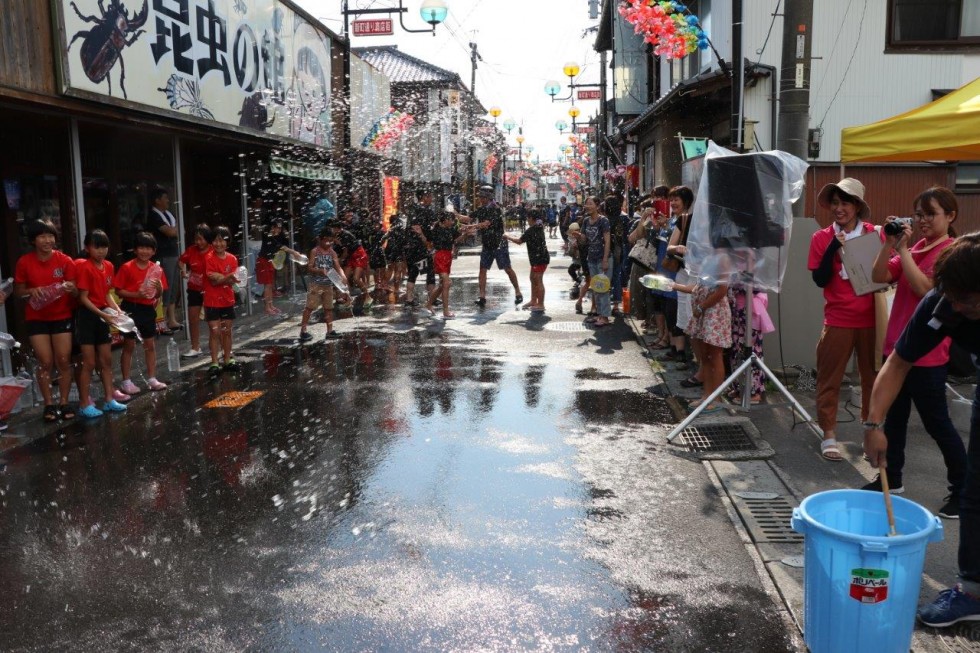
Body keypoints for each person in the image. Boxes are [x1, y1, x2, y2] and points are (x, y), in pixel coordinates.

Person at [863, 233, 980, 627]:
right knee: (975, 491)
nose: (959, 307)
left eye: (969, 300)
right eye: (955, 298)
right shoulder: (944, 304)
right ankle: (972, 591)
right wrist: (874, 424)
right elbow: (897, 363)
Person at [862, 186, 964, 519]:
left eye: (930, 214)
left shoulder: (951, 251)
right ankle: (892, 479)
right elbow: (877, 277)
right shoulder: (916, 246)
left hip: (929, 356)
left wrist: (904, 252)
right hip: (898, 350)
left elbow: (925, 290)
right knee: (895, 422)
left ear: (950, 216)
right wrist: (889, 244)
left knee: (938, 425)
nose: (921, 221)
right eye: (918, 214)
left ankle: (962, 491)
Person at [808, 178, 880, 462]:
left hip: (873, 319)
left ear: (858, 206)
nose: (839, 209)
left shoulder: (875, 234)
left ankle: (870, 435)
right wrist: (832, 249)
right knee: (829, 378)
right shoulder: (821, 237)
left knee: (872, 381)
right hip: (837, 317)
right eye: (835, 203)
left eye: (845, 203)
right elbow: (819, 279)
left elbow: (888, 272)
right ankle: (828, 434)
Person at [14, 219, 78, 422]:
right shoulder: (24, 262)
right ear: (33, 240)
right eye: (42, 236)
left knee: (63, 360)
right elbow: (18, 292)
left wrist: (70, 288)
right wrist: (32, 290)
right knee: (45, 361)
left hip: (61, 315)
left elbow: (77, 290)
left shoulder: (65, 260)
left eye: (50, 236)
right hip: (36, 317)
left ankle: (65, 401)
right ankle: (49, 404)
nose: (47, 240)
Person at [74, 229, 128, 418]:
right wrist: (102, 314)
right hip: (88, 316)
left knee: (106, 360)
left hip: (103, 315)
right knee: (88, 362)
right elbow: (83, 298)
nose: (101, 251)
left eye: (104, 246)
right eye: (96, 247)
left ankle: (108, 399)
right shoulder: (84, 266)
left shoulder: (109, 266)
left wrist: (117, 310)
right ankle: (83, 403)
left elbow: (106, 294)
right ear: (87, 248)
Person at [114, 231, 168, 394]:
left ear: (154, 251)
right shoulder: (127, 267)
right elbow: (118, 291)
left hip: (147, 309)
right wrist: (136, 294)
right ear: (135, 250)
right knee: (129, 345)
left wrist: (158, 291)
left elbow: (158, 295)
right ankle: (126, 381)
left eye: (148, 248)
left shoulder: (157, 269)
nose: (145, 251)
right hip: (130, 308)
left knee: (149, 344)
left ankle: (152, 378)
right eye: (141, 248)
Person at [473, 185, 523, 307]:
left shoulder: (495, 209)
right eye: (480, 196)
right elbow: (468, 218)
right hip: (487, 244)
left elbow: (485, 224)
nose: (480, 199)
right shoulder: (482, 209)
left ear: (488, 197)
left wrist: (469, 227)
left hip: (499, 244)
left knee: (507, 268)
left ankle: (517, 291)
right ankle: (482, 296)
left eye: (482, 197)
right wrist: (455, 215)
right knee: (482, 270)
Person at [663, 186, 696, 369]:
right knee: (682, 312)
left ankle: (694, 359)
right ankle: (682, 354)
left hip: (700, 274)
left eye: (677, 199)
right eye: (672, 199)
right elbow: (670, 247)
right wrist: (678, 248)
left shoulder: (700, 221)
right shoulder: (682, 220)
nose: (673, 203)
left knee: (696, 315)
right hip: (683, 272)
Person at [299, 228, 349, 341]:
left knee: (328, 308)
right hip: (315, 285)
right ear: (320, 240)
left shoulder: (332, 252)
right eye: (327, 240)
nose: (329, 243)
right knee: (310, 307)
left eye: (331, 241)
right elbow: (310, 267)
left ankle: (330, 331)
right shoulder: (315, 251)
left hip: (328, 285)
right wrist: (320, 271)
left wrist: (343, 276)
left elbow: (338, 266)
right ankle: (303, 330)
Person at [202, 226, 239, 372]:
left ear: (227, 242)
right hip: (211, 301)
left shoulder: (232, 259)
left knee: (227, 331)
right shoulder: (209, 258)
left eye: (222, 240)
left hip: (227, 300)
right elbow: (213, 281)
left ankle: (228, 358)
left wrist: (224, 278)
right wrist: (227, 277)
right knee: (214, 331)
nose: (219, 244)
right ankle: (214, 361)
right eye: (216, 240)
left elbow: (232, 281)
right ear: (212, 242)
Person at [146, 188, 182, 333]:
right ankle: (161, 322)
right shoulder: (154, 215)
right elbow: (170, 231)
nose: (168, 201)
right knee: (165, 288)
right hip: (163, 255)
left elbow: (179, 231)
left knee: (173, 288)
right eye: (165, 198)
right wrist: (175, 230)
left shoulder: (169, 214)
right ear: (157, 200)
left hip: (174, 253)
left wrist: (176, 230)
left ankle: (171, 319)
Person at [424, 211, 472, 319]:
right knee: (446, 282)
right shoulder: (435, 230)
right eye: (451, 220)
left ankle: (429, 303)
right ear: (445, 220)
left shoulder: (451, 230)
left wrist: (465, 234)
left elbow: (455, 241)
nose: (452, 222)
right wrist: (431, 252)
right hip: (440, 256)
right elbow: (428, 242)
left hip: (447, 256)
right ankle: (445, 311)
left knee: (443, 284)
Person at [178, 223, 214, 358]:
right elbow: (181, 261)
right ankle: (195, 347)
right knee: (193, 318)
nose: (198, 242)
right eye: (196, 239)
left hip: (210, 289)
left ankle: (217, 347)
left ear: (207, 238)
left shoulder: (213, 250)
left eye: (201, 239)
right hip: (194, 288)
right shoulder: (191, 250)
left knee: (213, 319)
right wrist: (184, 271)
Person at [505, 207, 550, 312]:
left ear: (531, 218)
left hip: (539, 258)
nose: (527, 220)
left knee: (538, 280)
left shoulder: (532, 230)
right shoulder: (539, 226)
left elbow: (519, 241)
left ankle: (541, 304)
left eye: (528, 218)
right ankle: (533, 300)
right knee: (532, 278)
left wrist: (508, 237)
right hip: (538, 258)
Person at [256, 219, 299, 316]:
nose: (279, 230)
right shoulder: (268, 235)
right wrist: (294, 252)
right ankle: (267, 307)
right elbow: (282, 247)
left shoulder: (274, 237)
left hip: (269, 261)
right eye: (277, 228)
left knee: (270, 285)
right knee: (267, 285)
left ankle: (271, 305)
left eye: (280, 228)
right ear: (272, 227)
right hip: (263, 261)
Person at [404, 188, 437, 307]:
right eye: (430, 196)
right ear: (424, 197)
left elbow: (410, 227)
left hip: (410, 247)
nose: (431, 199)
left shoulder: (412, 209)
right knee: (430, 272)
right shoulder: (426, 211)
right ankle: (432, 298)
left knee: (413, 272)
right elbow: (433, 226)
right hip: (421, 247)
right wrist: (425, 239)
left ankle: (409, 299)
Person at [582, 195, 612, 328]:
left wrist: (605, 259)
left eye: (590, 203)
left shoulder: (603, 221)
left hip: (602, 258)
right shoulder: (586, 221)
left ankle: (605, 316)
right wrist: (578, 237)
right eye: (586, 204)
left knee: (603, 287)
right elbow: (584, 240)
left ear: (597, 206)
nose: (587, 206)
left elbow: (607, 240)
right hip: (591, 258)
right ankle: (599, 314)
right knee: (595, 288)